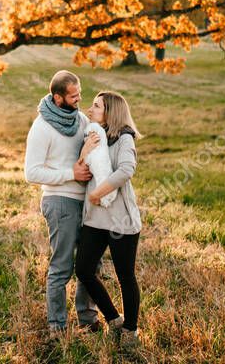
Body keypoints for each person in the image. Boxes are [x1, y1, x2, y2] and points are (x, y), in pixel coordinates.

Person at [23, 70, 103, 336]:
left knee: (90, 265)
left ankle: (87, 319)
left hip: (87, 201)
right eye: (73, 95)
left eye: (80, 93)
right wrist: (71, 174)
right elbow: (31, 172)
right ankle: (57, 326)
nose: (80, 98)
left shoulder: (80, 119)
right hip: (60, 201)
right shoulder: (41, 127)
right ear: (58, 98)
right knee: (62, 266)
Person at [75, 91, 143, 348]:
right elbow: (83, 168)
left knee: (125, 275)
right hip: (95, 220)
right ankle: (114, 318)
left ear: (110, 112)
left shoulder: (124, 138)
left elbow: (126, 170)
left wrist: (98, 193)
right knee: (83, 269)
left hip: (121, 221)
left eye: (96, 106)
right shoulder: (94, 136)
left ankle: (130, 329)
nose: (90, 109)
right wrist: (84, 150)